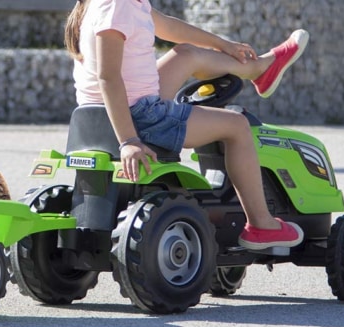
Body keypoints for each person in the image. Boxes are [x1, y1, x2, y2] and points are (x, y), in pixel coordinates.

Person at [64, 0, 307, 250]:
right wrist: (129, 141)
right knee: (237, 125)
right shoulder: (118, 5)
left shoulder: (115, 3)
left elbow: (168, 26)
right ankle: (261, 226)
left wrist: (224, 45)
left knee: (186, 54)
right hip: (140, 116)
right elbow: (109, 76)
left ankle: (259, 70)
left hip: (103, 113)